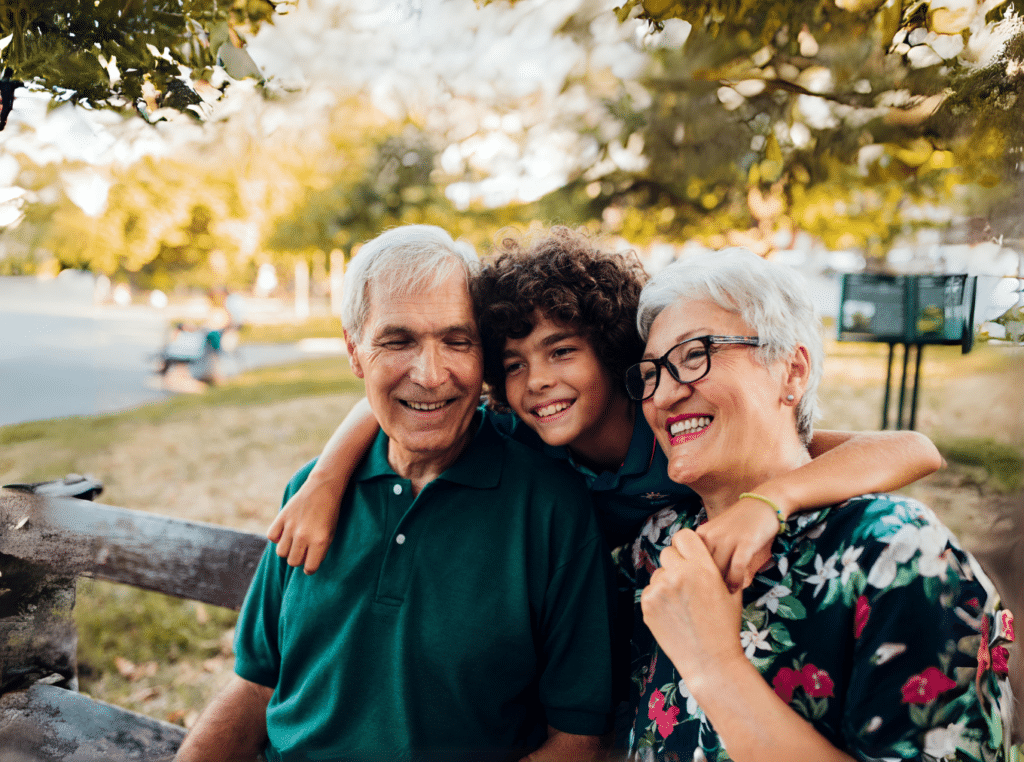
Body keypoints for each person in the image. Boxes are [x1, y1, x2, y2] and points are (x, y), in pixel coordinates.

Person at [269, 227, 942, 591]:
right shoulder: (520, 431)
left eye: (563, 352)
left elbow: (912, 447)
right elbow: (402, 402)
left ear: (612, 351)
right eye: (513, 364)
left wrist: (771, 501)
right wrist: (327, 481)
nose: (537, 383)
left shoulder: (674, 426)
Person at [174, 225, 616, 762]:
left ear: (484, 357)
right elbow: (255, 686)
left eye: (457, 341)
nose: (430, 376)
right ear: (354, 352)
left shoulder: (551, 508)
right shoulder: (313, 493)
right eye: (398, 341)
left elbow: (576, 741)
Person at [625, 248, 1013, 760]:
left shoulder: (895, 552)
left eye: (695, 354)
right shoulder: (655, 543)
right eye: (652, 372)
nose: (664, 395)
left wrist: (712, 664)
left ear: (792, 371)